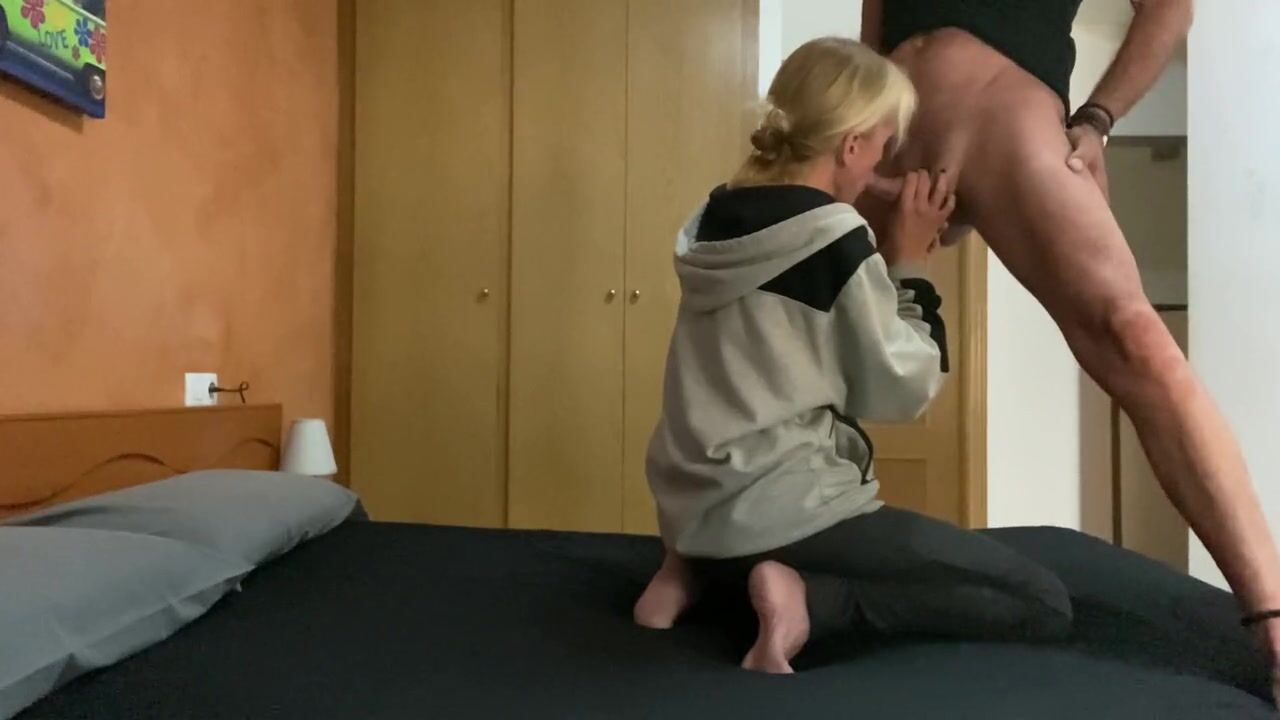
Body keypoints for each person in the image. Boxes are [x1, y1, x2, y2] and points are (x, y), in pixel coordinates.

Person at [855, 0, 1280, 698]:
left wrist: (1098, 119)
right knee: (795, 317)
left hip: (1002, 114)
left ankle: (1272, 613)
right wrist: (860, 121)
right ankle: (737, 555)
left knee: (1132, 337)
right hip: (884, 125)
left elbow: (1170, 9)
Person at [634, 37, 1073, 674]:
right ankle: (811, 604)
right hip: (781, 504)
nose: (879, 168)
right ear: (851, 145)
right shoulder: (833, 238)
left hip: (696, 499)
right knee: (1040, 600)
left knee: (745, 525)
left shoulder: (714, 217)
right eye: (882, 146)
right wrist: (909, 264)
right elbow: (901, 385)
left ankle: (694, 571)